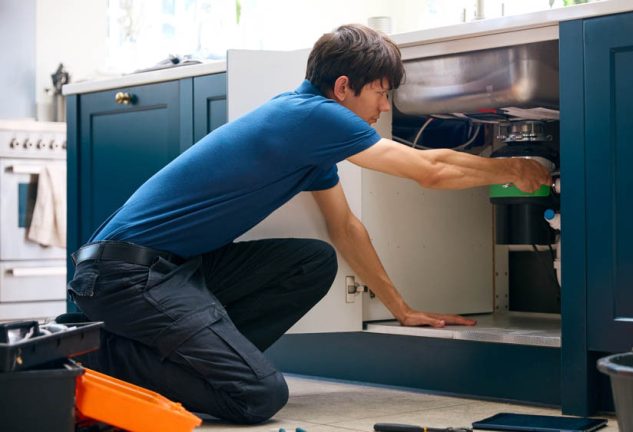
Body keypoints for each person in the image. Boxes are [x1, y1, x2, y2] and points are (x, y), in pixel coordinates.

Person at [65, 24, 551, 424]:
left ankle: (206, 363)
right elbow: (430, 170)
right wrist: (511, 167)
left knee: (311, 261)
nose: (385, 108)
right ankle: (96, 354)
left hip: (163, 275)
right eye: (381, 94)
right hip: (125, 279)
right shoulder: (314, 117)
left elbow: (345, 228)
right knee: (257, 398)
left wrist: (402, 309)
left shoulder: (307, 131)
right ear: (343, 87)